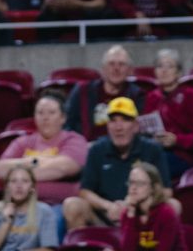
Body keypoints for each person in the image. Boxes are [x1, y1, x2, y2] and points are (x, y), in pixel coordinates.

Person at [62, 97, 170, 230]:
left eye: (125, 120)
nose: (119, 127)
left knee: (173, 205)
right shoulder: (97, 149)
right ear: (107, 126)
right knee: (72, 204)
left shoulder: (152, 149)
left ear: (136, 126)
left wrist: (132, 204)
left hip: (141, 216)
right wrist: (109, 206)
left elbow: (166, 191)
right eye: (113, 121)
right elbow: (85, 192)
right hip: (105, 216)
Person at [0, 93, 89, 205]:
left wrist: (21, 171)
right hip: (21, 204)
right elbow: (0, 169)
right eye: (40, 113)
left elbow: (64, 168)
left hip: (59, 204)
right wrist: (38, 161)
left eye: (51, 113)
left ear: (63, 118)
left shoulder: (74, 139)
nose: (45, 118)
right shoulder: (22, 142)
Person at [142, 49, 193, 176]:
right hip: (154, 150)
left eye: (169, 66)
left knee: (150, 168)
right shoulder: (151, 97)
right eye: (160, 66)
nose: (164, 70)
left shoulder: (192, 96)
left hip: (184, 154)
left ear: (178, 72)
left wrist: (177, 140)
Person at [64, 46, 144, 141]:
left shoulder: (137, 95)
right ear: (103, 69)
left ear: (130, 71)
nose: (116, 68)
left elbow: (140, 131)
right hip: (85, 148)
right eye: (111, 64)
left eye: (121, 64)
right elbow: (66, 125)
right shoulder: (82, 90)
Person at [0, 164, 59, 251]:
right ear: (7, 187)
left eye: (25, 181)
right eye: (14, 181)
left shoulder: (44, 211)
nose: (19, 186)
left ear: (32, 187)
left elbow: (48, 249)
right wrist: (6, 222)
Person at [121, 161, 182, 251]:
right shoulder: (128, 214)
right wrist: (131, 215)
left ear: (153, 188)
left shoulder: (167, 214)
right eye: (131, 182)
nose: (133, 187)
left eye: (140, 183)